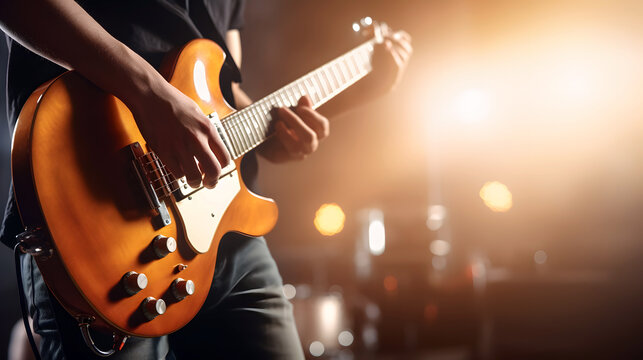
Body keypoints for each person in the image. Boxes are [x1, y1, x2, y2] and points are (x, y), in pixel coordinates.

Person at [0, 0, 412, 359]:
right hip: (97, 209)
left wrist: (350, 97)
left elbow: (225, 99)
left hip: (225, 235)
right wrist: (149, 93)